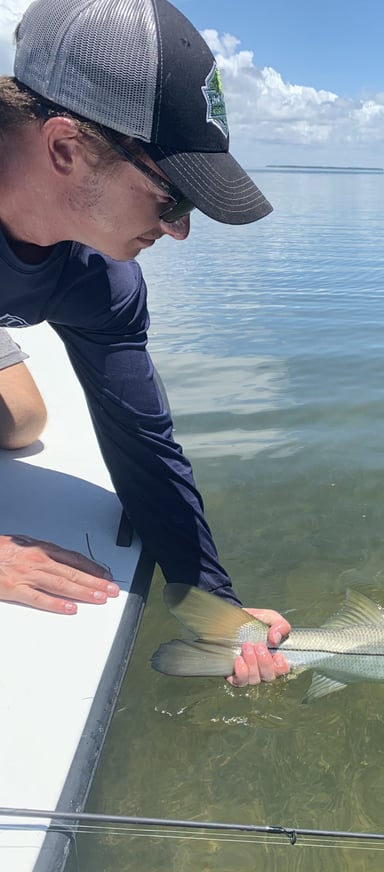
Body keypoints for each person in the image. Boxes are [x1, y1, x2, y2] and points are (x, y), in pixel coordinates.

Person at [0, 0, 290, 686]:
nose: (182, 232)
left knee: (23, 425)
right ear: (66, 148)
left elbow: (145, 449)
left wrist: (219, 612)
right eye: (172, 199)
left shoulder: (104, 283)